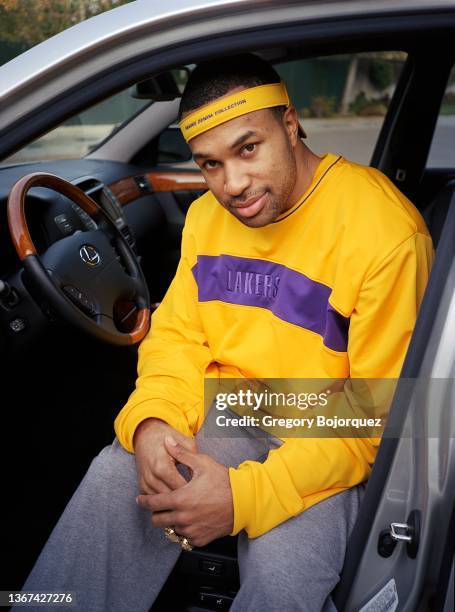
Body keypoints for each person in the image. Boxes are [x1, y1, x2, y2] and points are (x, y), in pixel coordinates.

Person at [21, 54, 434, 611]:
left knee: (282, 580)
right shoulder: (207, 219)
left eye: (247, 149)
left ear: (290, 124)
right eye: (209, 164)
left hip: (329, 437)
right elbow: (179, 337)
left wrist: (241, 499)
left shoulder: (384, 232)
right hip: (234, 406)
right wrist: (153, 419)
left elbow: (371, 417)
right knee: (115, 479)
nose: (233, 185)